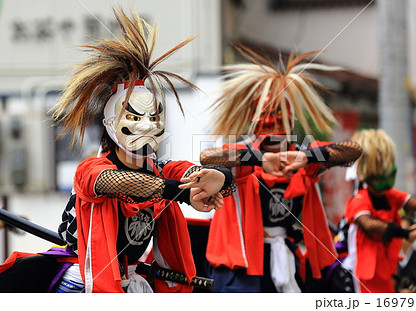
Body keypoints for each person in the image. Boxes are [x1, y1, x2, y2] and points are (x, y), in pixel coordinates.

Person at [0, 8, 234, 293]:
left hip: (132, 280)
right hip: (83, 280)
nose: (147, 126)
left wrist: (216, 179)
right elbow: (123, 183)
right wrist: (180, 191)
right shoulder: (92, 170)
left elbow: (185, 172)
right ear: (111, 124)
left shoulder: (159, 169)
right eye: (134, 118)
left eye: (154, 118)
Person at [201, 45, 362, 293]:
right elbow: (208, 156)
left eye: (278, 113)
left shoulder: (301, 156)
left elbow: (352, 150)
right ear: (255, 118)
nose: (272, 121)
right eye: (266, 113)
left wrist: (308, 156)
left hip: (284, 256)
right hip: (240, 265)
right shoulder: (243, 155)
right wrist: (260, 158)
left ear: (290, 118)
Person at [341, 129, 416, 293]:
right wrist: (404, 233)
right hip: (363, 271)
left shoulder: (392, 195)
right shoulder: (359, 199)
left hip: (387, 268)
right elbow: (368, 224)